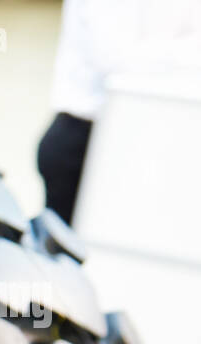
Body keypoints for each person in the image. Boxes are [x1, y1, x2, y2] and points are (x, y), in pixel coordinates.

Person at [39, 0, 201, 225]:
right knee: (65, 249)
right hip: (81, 139)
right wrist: (183, 52)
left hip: (144, 140)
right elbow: (114, 58)